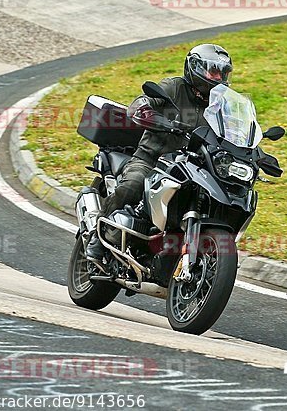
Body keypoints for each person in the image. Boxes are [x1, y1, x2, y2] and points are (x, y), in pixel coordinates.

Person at [85, 43, 233, 264]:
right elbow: (144, 101)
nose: (218, 77)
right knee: (132, 185)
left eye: (223, 72)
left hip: (191, 169)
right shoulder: (174, 87)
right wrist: (147, 113)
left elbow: (230, 131)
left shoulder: (221, 103)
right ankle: (97, 237)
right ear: (195, 68)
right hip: (151, 160)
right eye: (213, 70)